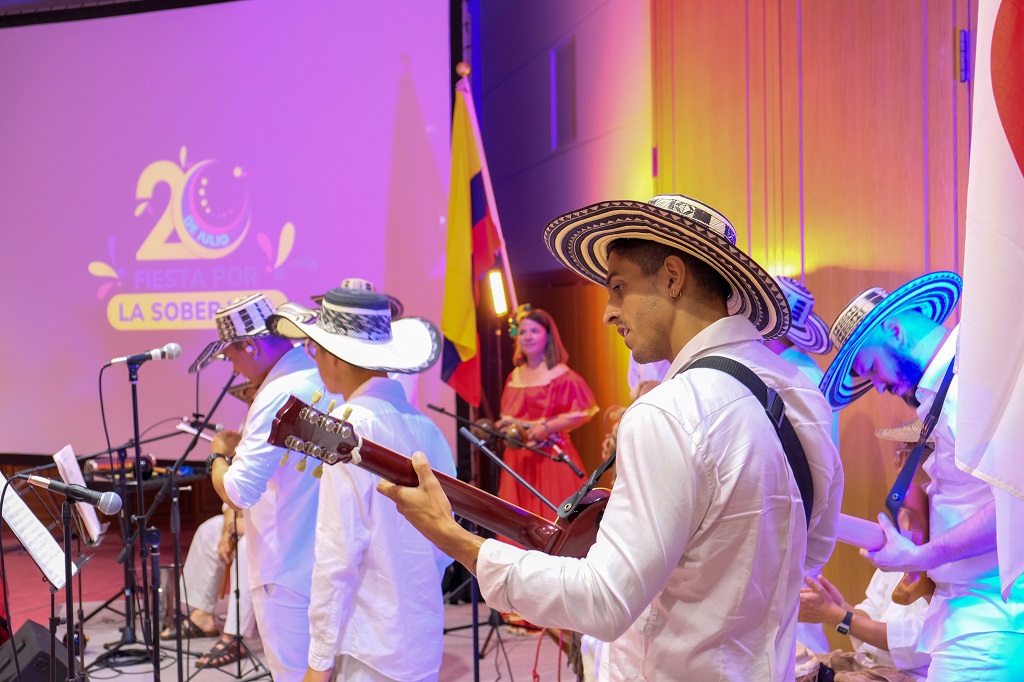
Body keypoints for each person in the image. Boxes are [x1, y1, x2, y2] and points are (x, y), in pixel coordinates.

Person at [380, 194, 844, 680]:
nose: (608, 312)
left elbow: (604, 600)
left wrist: (455, 539)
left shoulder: (669, 410)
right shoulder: (805, 397)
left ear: (672, 277)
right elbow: (812, 550)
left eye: (619, 287)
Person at [818, 273, 1024, 681]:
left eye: (870, 367)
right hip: (970, 613)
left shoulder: (971, 381)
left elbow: (1013, 503)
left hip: (988, 616)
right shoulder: (951, 385)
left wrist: (919, 557)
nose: (876, 386)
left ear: (894, 329)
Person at [267, 281, 456, 682]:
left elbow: (338, 553)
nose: (314, 360)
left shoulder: (352, 429)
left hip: (368, 643)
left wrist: (318, 660)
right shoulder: (429, 430)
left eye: (317, 350)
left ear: (335, 356)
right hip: (419, 637)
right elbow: (446, 545)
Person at [194, 293, 337, 681]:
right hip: (329, 562)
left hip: (285, 567)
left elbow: (239, 491)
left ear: (251, 346)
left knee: (292, 672)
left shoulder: (274, 393)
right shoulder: (322, 377)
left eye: (231, 356)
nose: (234, 368)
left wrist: (219, 455)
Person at [799, 419, 933, 681]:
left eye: (905, 452)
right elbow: (871, 612)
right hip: (871, 667)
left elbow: (920, 639)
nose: (896, 463)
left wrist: (838, 615)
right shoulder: (901, 528)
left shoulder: (945, 533)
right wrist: (837, 608)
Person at [495, 305, 598, 521]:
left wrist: (547, 427)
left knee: (554, 524)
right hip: (518, 463)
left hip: (550, 459)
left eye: (534, 331)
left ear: (547, 336)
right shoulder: (514, 376)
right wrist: (504, 428)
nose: (527, 337)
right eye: (523, 332)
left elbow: (582, 412)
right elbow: (511, 417)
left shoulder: (560, 374)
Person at [161, 508, 256, 669]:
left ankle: (233, 637)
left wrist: (237, 527)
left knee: (248, 546)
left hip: (284, 524)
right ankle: (202, 617)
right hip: (252, 519)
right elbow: (231, 500)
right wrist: (227, 531)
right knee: (209, 530)